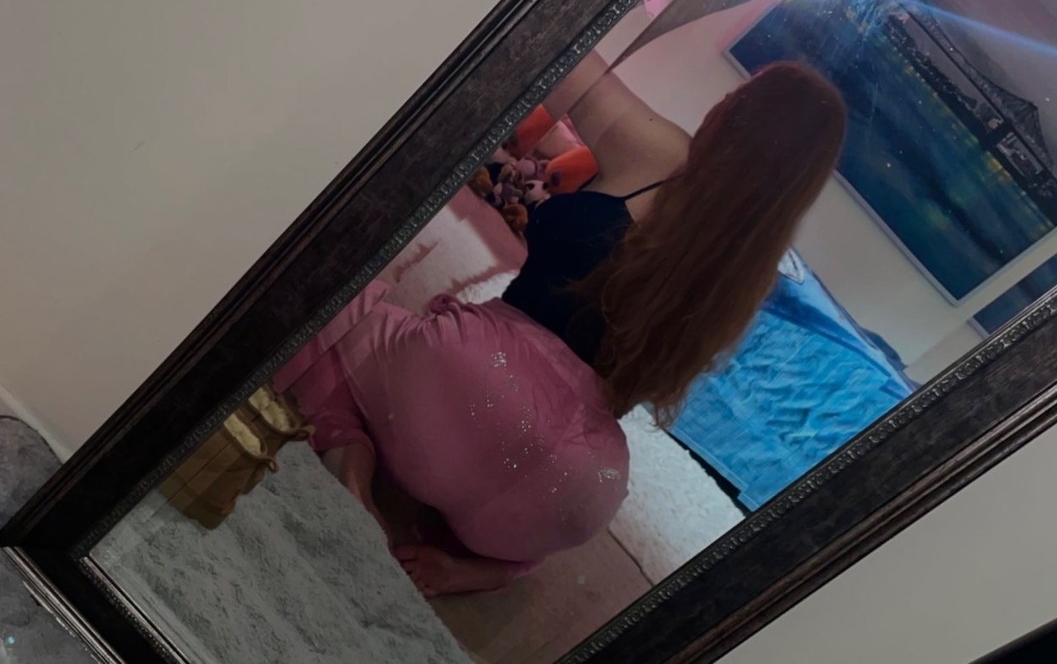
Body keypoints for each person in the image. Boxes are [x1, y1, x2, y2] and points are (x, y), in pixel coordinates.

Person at [273, 52, 846, 597]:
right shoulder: (749, 279)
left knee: (327, 296)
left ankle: (351, 459)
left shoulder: (661, 155)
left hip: (474, 376)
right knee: (544, 484)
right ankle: (493, 568)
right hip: (578, 489)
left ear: (736, 109)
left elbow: (567, 51)